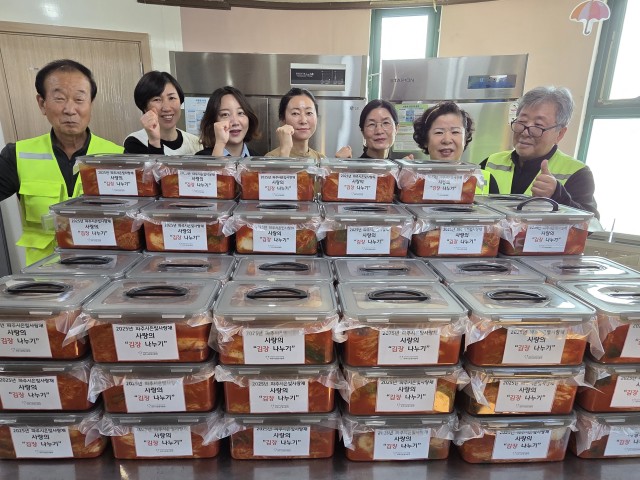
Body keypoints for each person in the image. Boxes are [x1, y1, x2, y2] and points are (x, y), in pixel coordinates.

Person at [0, 59, 123, 265]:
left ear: (90, 104)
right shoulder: (17, 155)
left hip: (103, 270)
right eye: (59, 99)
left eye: (79, 99)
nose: (70, 109)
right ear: (42, 104)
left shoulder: (117, 156)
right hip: (45, 275)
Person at [480, 86, 599, 218]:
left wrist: (558, 196)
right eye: (522, 122)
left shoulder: (577, 173)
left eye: (538, 125)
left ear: (560, 133)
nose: (525, 132)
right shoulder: (491, 162)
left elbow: (592, 223)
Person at [124, 71, 201, 155]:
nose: (167, 108)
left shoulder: (195, 143)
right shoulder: (135, 142)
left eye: (171, 98)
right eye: (157, 99)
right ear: (145, 107)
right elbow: (155, 164)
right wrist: (154, 142)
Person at [195, 86, 260, 157]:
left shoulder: (257, 158)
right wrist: (220, 144)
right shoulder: (200, 158)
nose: (235, 122)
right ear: (212, 122)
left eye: (240, 113)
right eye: (225, 114)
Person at [265, 88, 324, 159]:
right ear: (283, 118)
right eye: (295, 113)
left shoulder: (321, 159)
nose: (303, 121)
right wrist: (285, 151)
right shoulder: (271, 158)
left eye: (309, 113)